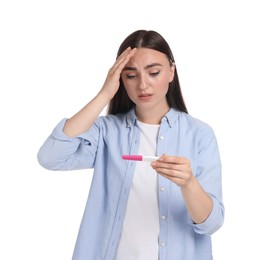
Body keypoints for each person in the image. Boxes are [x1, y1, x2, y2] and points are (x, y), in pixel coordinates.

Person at [37, 29, 224, 260]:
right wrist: (104, 94)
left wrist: (189, 184)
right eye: (131, 75)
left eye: (154, 72)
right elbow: (50, 157)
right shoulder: (106, 132)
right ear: (119, 79)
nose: (143, 85)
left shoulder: (199, 135)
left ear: (171, 72)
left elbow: (211, 224)